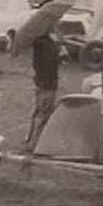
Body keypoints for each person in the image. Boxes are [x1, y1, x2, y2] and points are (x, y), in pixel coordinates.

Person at [24, 23, 62, 153]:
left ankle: (30, 141)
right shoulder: (47, 45)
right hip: (48, 84)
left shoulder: (40, 43)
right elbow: (52, 62)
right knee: (44, 115)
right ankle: (35, 145)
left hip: (41, 83)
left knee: (37, 113)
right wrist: (57, 47)